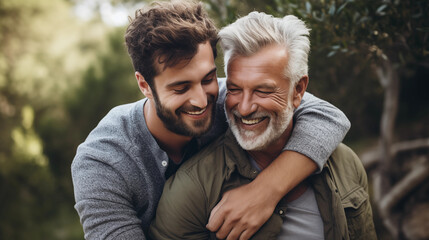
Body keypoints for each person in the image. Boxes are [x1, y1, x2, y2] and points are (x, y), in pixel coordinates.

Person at [71, 1, 351, 239]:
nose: (201, 101)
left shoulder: (231, 100)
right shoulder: (102, 163)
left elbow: (328, 116)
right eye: (180, 88)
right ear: (144, 85)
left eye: (208, 79)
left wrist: (265, 191)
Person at [149, 11, 376, 240]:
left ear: (298, 91)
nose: (245, 108)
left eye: (263, 91)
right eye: (234, 89)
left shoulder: (345, 164)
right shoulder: (191, 190)